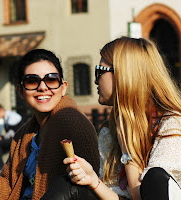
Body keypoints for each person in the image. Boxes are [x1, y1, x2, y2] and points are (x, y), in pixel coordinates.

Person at [61, 37, 181, 200]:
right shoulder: (110, 130)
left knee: (156, 178)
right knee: (66, 185)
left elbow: (149, 194)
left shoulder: (172, 123)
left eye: (100, 71)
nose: (95, 80)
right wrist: (93, 180)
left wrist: (128, 153)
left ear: (124, 74)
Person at [0, 49, 100, 200]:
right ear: (20, 91)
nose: (43, 87)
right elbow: (4, 193)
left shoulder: (72, 124)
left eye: (51, 80)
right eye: (32, 81)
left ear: (63, 87)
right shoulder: (23, 135)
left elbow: (85, 193)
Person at [0, 103, 23, 172]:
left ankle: (0, 168)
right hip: (14, 139)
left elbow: (12, 134)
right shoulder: (7, 117)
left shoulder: (12, 118)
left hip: (18, 139)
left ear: (0, 110)